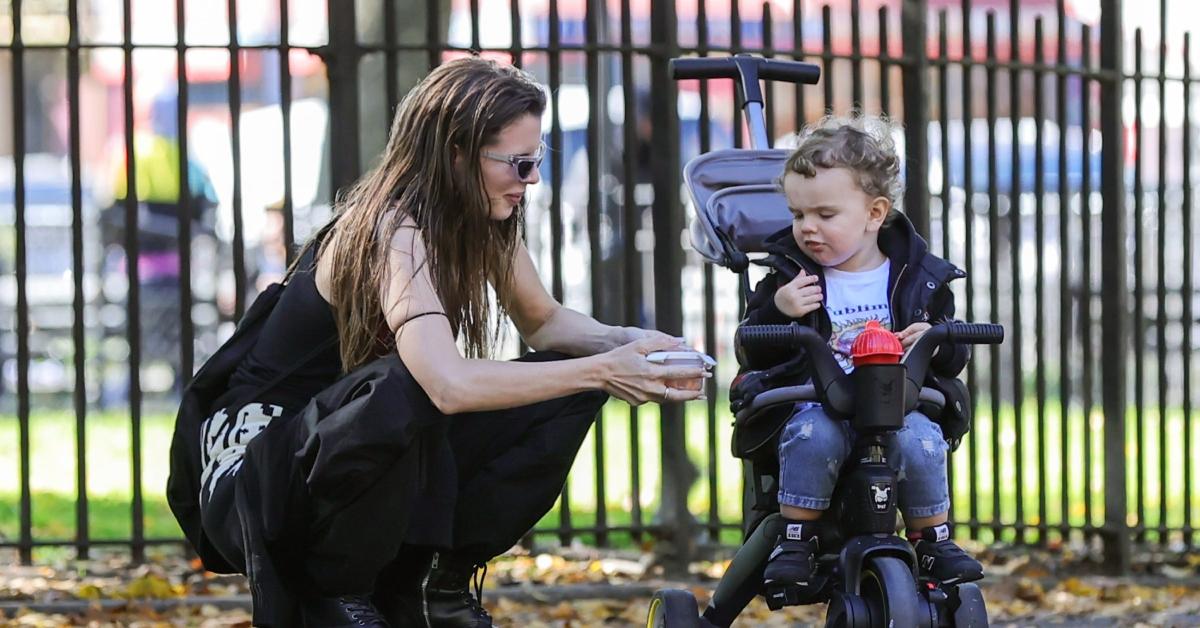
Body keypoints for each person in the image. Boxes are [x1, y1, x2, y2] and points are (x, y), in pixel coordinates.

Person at [195, 57, 710, 627]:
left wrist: (630, 345)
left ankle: (436, 580)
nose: (531, 179)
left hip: (353, 451)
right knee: (405, 384)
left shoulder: (482, 218)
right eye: (519, 163)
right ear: (457, 154)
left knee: (569, 377)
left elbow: (543, 323)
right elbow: (444, 383)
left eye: (535, 162)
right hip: (260, 472)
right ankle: (337, 594)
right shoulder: (392, 230)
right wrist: (604, 370)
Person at [739, 114, 982, 595]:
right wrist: (778, 310)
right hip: (815, 403)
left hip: (897, 407)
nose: (807, 228)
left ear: (875, 214)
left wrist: (933, 338)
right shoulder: (789, 277)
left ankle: (931, 537)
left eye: (825, 215)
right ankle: (795, 537)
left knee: (922, 441)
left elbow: (951, 359)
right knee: (812, 437)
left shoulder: (918, 277)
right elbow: (752, 350)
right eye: (797, 215)